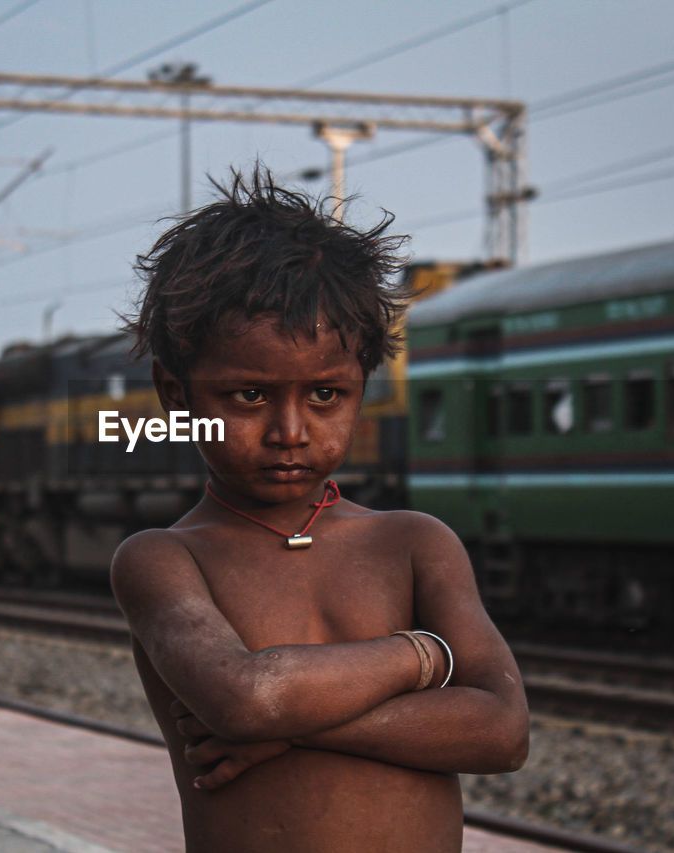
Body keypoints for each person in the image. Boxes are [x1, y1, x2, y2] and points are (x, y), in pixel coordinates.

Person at [112, 169, 529, 852]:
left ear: (362, 386)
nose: (290, 430)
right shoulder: (164, 558)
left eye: (327, 395)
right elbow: (243, 698)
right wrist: (422, 657)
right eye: (247, 396)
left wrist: (291, 726)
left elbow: (504, 729)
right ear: (174, 392)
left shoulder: (415, 543)